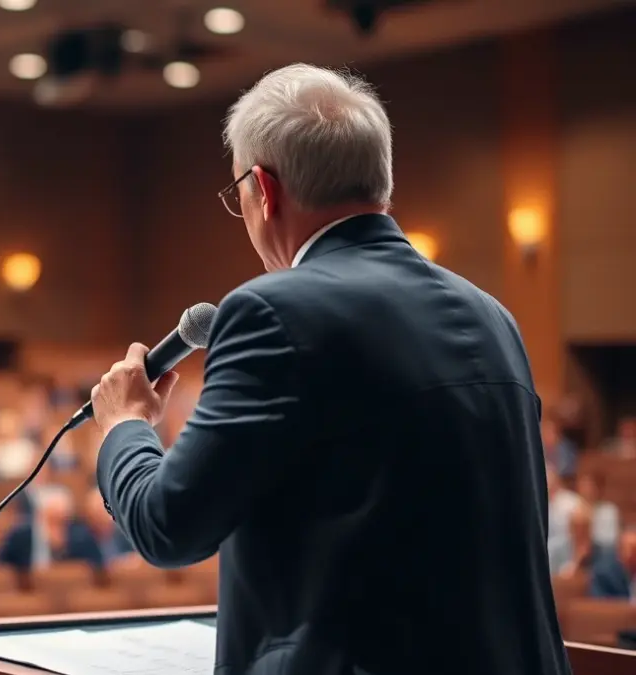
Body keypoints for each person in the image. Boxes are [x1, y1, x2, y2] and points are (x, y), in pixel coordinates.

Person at [88, 64, 570, 675]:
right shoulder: (493, 316)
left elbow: (168, 526)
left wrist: (125, 426)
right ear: (381, 182)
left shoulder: (272, 311)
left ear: (263, 188)